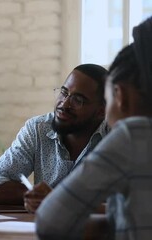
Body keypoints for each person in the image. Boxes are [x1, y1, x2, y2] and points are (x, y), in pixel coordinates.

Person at [36, 16, 152, 240]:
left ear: (120, 97)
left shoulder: (131, 136)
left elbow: (50, 221)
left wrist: (109, 227)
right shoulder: (37, 127)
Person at [0, 64, 109, 213]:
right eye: (64, 92)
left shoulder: (117, 138)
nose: (64, 103)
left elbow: (130, 207)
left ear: (101, 111)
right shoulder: (39, 129)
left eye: (78, 100)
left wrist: (57, 198)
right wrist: (34, 196)